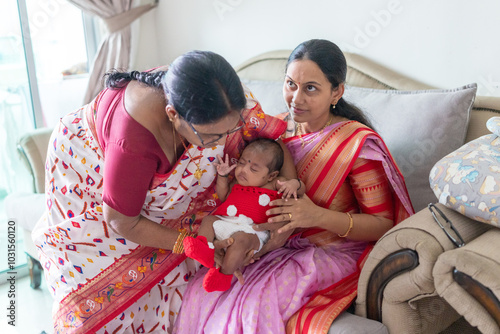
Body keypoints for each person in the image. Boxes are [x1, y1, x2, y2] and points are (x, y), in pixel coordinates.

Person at [31, 50, 296, 334]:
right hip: (86, 168)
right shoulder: (132, 141)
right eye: (210, 137)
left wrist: (293, 191)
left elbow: (273, 142)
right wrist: (190, 245)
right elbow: (122, 221)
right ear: (173, 115)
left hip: (136, 179)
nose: (219, 144)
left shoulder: (224, 98)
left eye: (228, 132)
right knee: (96, 300)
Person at [174, 39, 415, 333]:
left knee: (254, 306)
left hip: (331, 251)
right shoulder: (272, 132)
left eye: (311, 88)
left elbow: (383, 224)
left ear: (336, 91)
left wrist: (316, 216)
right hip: (271, 243)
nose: (296, 99)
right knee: (200, 291)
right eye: (290, 84)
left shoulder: (356, 145)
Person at [183, 138, 305, 292]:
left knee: (240, 240)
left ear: (271, 175)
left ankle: (223, 276)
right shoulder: (239, 183)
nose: (244, 170)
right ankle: (204, 249)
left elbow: (300, 190)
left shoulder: (275, 183)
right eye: (241, 163)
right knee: (209, 220)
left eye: (253, 169)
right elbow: (224, 196)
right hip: (227, 223)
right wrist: (222, 176)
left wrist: (294, 184)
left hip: (253, 231)